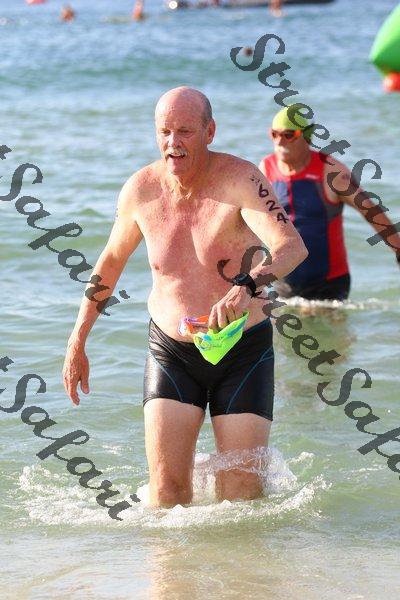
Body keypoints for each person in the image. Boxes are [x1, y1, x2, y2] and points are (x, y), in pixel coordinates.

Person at [63, 87, 307, 508]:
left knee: (242, 496)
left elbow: (291, 247)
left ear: (210, 132)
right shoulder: (140, 191)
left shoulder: (242, 180)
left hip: (242, 350)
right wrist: (77, 338)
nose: (173, 143)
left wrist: (246, 285)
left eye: (185, 131)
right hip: (171, 351)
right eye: (165, 132)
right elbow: (111, 262)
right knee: (166, 494)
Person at [259, 106, 400, 301]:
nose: (279, 141)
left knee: (330, 322)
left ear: (307, 136)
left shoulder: (332, 172)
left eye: (288, 135)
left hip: (329, 285)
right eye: (274, 134)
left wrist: (397, 249)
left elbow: (369, 209)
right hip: (283, 282)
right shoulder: (266, 168)